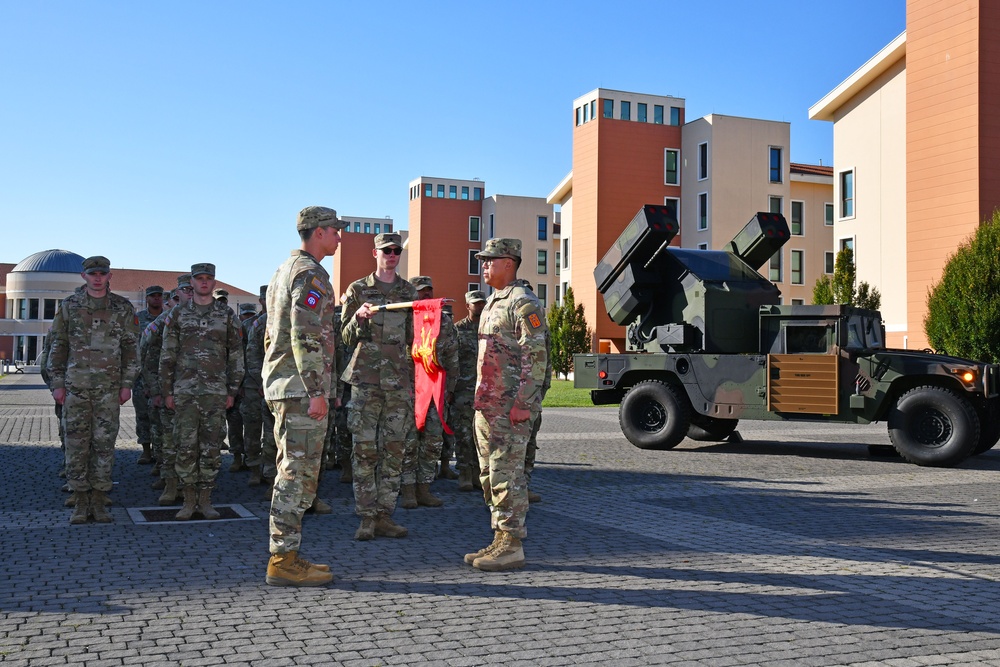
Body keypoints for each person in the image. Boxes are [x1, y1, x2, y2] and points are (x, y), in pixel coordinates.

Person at [262, 206, 345, 587]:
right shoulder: (310, 274)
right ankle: (282, 560)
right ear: (319, 232)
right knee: (298, 474)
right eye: (335, 231)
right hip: (299, 389)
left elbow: (271, 335)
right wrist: (316, 391)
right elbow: (305, 334)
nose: (339, 238)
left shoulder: (284, 271)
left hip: (286, 384)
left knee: (293, 469)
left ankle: (288, 553)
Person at [464, 238, 548, 571]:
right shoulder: (493, 302)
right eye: (483, 260)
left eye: (490, 260)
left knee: (508, 476)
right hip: (487, 407)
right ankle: (500, 536)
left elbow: (536, 355)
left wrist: (524, 403)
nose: (484, 265)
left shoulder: (524, 302)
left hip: (510, 408)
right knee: (490, 475)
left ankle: (512, 543)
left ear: (509, 263)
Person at [47, 256, 139, 524]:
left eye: (102, 273)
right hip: (76, 388)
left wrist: (127, 384)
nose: (98, 277)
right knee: (76, 445)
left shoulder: (122, 307)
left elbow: (131, 349)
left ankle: (99, 502)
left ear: (110, 276)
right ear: (83, 276)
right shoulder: (69, 306)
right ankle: (79, 502)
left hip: (108, 390)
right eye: (93, 273)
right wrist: (57, 383)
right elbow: (58, 346)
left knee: (104, 445)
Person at [341, 232, 417, 541]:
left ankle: (385, 514)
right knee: (364, 450)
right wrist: (358, 319)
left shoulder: (408, 292)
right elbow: (343, 337)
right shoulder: (358, 290)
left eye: (397, 250)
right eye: (386, 250)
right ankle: (366, 518)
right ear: (375, 253)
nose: (392, 254)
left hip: (398, 382)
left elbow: (417, 340)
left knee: (395, 450)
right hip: (366, 382)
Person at [160, 263, 244, 520]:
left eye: (209, 279)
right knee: (185, 446)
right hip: (184, 391)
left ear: (214, 282)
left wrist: (232, 389)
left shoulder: (226, 314)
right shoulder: (177, 314)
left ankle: (206, 500)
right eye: (199, 279)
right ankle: (188, 500)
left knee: (210, 447)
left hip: (215, 391)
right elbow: (167, 354)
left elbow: (236, 354)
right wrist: (167, 390)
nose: (204, 283)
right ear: (192, 283)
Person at [399, 276, 458, 509]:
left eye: (428, 291)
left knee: (433, 440)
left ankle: (424, 488)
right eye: (420, 291)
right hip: (409, 391)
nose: (425, 295)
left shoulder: (442, 321)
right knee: (409, 442)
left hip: (435, 389)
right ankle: (407, 490)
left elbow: (453, 357)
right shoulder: (405, 320)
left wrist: (450, 388)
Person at [142, 276, 193, 505]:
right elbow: (144, 350)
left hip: (197, 393)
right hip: (169, 391)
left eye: (192, 290)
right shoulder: (165, 319)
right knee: (169, 441)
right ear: (176, 296)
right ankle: (171, 485)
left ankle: (192, 488)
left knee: (195, 443)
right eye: (184, 291)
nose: (189, 294)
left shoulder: (210, 317)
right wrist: (154, 389)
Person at [451, 290, 486, 492]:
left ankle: (478, 473)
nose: (479, 306)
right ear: (468, 306)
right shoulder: (458, 330)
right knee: (464, 433)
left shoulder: (489, 329)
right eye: (476, 304)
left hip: (485, 390)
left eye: (482, 303)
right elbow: (451, 360)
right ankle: (464, 472)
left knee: (481, 434)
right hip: (464, 390)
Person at [240, 286, 268, 487]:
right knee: (252, 430)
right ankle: (254, 468)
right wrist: (261, 381)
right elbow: (248, 355)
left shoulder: (285, 320)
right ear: (261, 300)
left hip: (275, 387)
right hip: (253, 386)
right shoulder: (251, 325)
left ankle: (270, 471)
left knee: (273, 433)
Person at [134, 285, 165, 466]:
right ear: (147, 298)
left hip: (162, 373)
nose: (156, 299)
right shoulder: (138, 319)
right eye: (152, 296)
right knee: (143, 414)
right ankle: (146, 450)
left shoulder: (168, 317)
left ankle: (159, 450)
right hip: (141, 375)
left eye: (159, 296)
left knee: (161, 416)